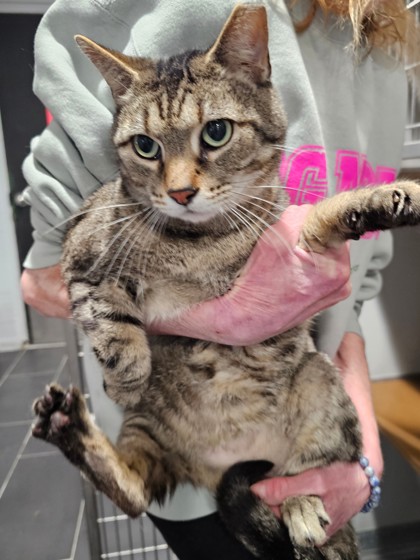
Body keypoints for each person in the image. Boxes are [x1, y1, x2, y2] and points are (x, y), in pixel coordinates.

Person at [20, 0, 417, 558]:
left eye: (215, 133)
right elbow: (45, 280)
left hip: (305, 422)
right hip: (184, 451)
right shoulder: (155, 10)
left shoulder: (390, 48)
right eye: (148, 148)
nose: (180, 185)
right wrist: (227, 317)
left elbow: (355, 285)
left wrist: (365, 458)